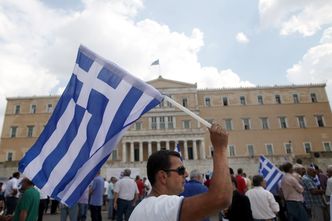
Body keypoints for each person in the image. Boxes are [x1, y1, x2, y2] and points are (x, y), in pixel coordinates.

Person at [129, 123, 232, 221]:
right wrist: (220, 148)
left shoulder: (143, 208)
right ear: (163, 177)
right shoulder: (160, 206)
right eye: (181, 170)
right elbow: (220, 197)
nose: (186, 174)